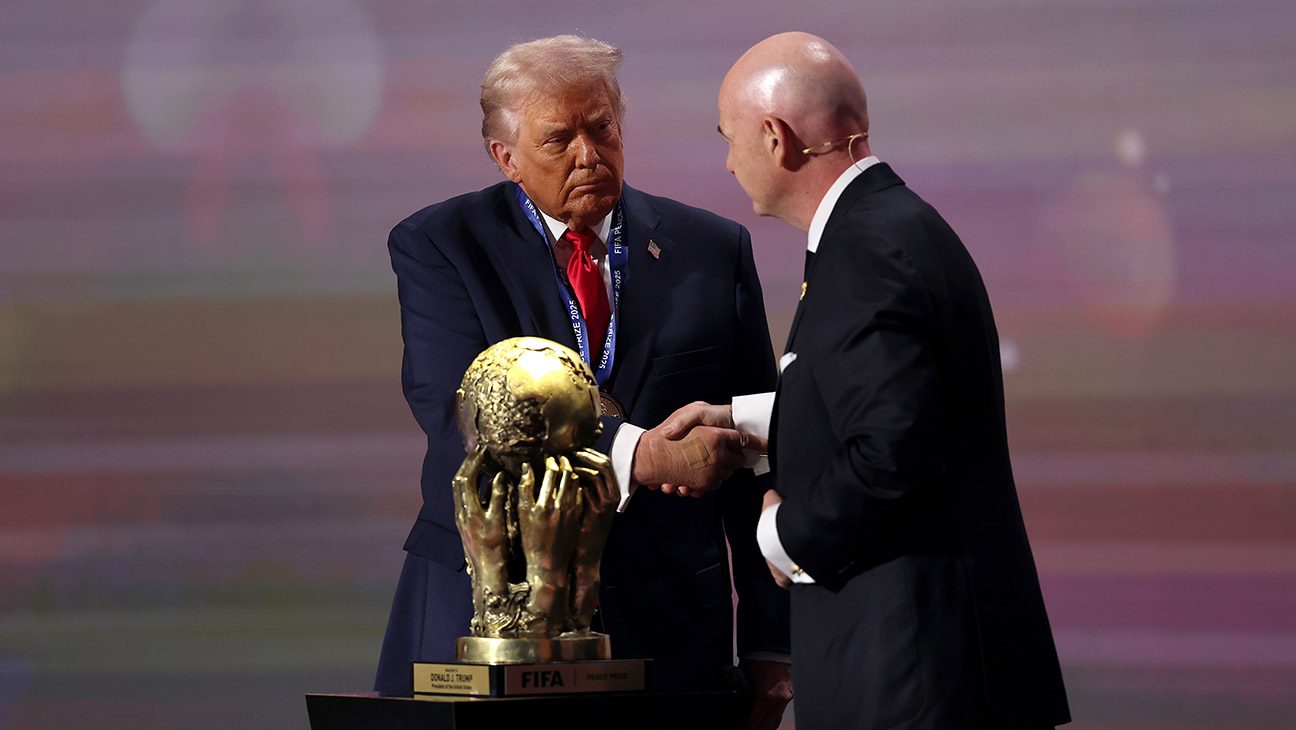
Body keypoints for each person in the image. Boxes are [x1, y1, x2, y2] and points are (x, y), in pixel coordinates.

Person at [373, 35, 792, 728]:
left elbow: (756, 452)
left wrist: (774, 643)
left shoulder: (711, 251)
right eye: (557, 139)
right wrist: (637, 454)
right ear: (505, 157)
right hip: (488, 616)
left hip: (668, 625)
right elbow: (465, 417)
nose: (588, 155)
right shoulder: (443, 245)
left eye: (601, 128)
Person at [661, 31, 1070, 729]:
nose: (728, 164)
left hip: (912, 675)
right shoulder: (888, 224)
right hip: (930, 668)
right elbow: (884, 400)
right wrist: (748, 422)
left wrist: (781, 537)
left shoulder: (865, 248)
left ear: (775, 137)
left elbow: (892, 453)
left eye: (730, 139)